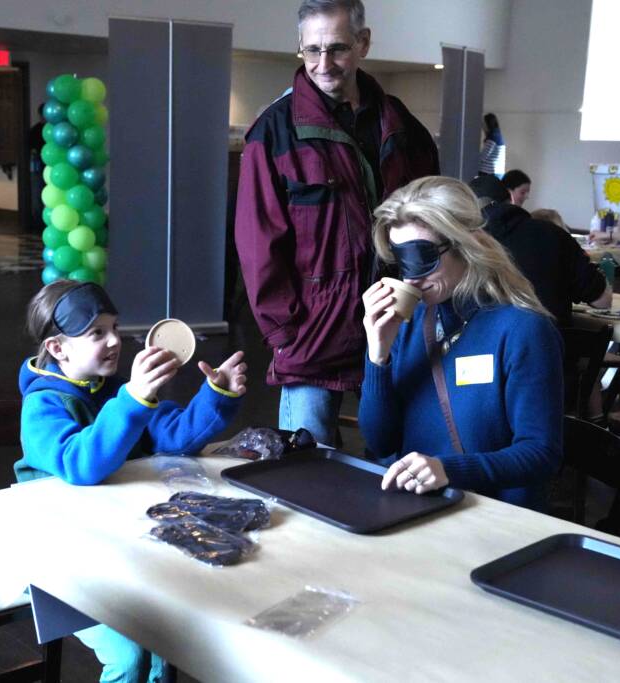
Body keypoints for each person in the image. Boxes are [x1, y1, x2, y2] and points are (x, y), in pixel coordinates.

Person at [16, 280, 246, 683]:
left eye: (115, 328)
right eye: (96, 333)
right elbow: (79, 464)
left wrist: (215, 394)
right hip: (61, 556)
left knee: (166, 642)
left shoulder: (114, 389)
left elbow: (174, 437)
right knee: (129, 658)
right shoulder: (43, 405)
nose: (114, 341)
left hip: (120, 545)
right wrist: (132, 399)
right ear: (57, 348)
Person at [234, 0, 439, 446]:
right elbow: (257, 243)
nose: (323, 64)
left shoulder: (401, 125)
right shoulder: (273, 132)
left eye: (338, 49)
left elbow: (433, 216)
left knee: (403, 458)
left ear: (363, 43)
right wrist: (283, 333)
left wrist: (427, 298)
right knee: (308, 469)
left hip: (396, 322)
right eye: (312, 51)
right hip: (313, 335)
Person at [359, 176, 563, 511]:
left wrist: (447, 470)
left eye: (422, 257)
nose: (410, 278)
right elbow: (380, 441)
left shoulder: (523, 330)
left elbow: (541, 453)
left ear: (465, 247)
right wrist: (377, 355)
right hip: (414, 510)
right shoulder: (408, 325)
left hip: (491, 518)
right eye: (401, 259)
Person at [469, 173, 611, 326]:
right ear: (510, 199)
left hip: (479, 345)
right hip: (549, 344)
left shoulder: (462, 245)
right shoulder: (554, 234)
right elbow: (603, 300)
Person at [478, 113, 506, 177]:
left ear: (488, 124)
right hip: (496, 172)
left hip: (490, 173)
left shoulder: (493, 137)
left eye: (483, 123)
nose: (482, 126)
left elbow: (483, 157)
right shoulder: (497, 135)